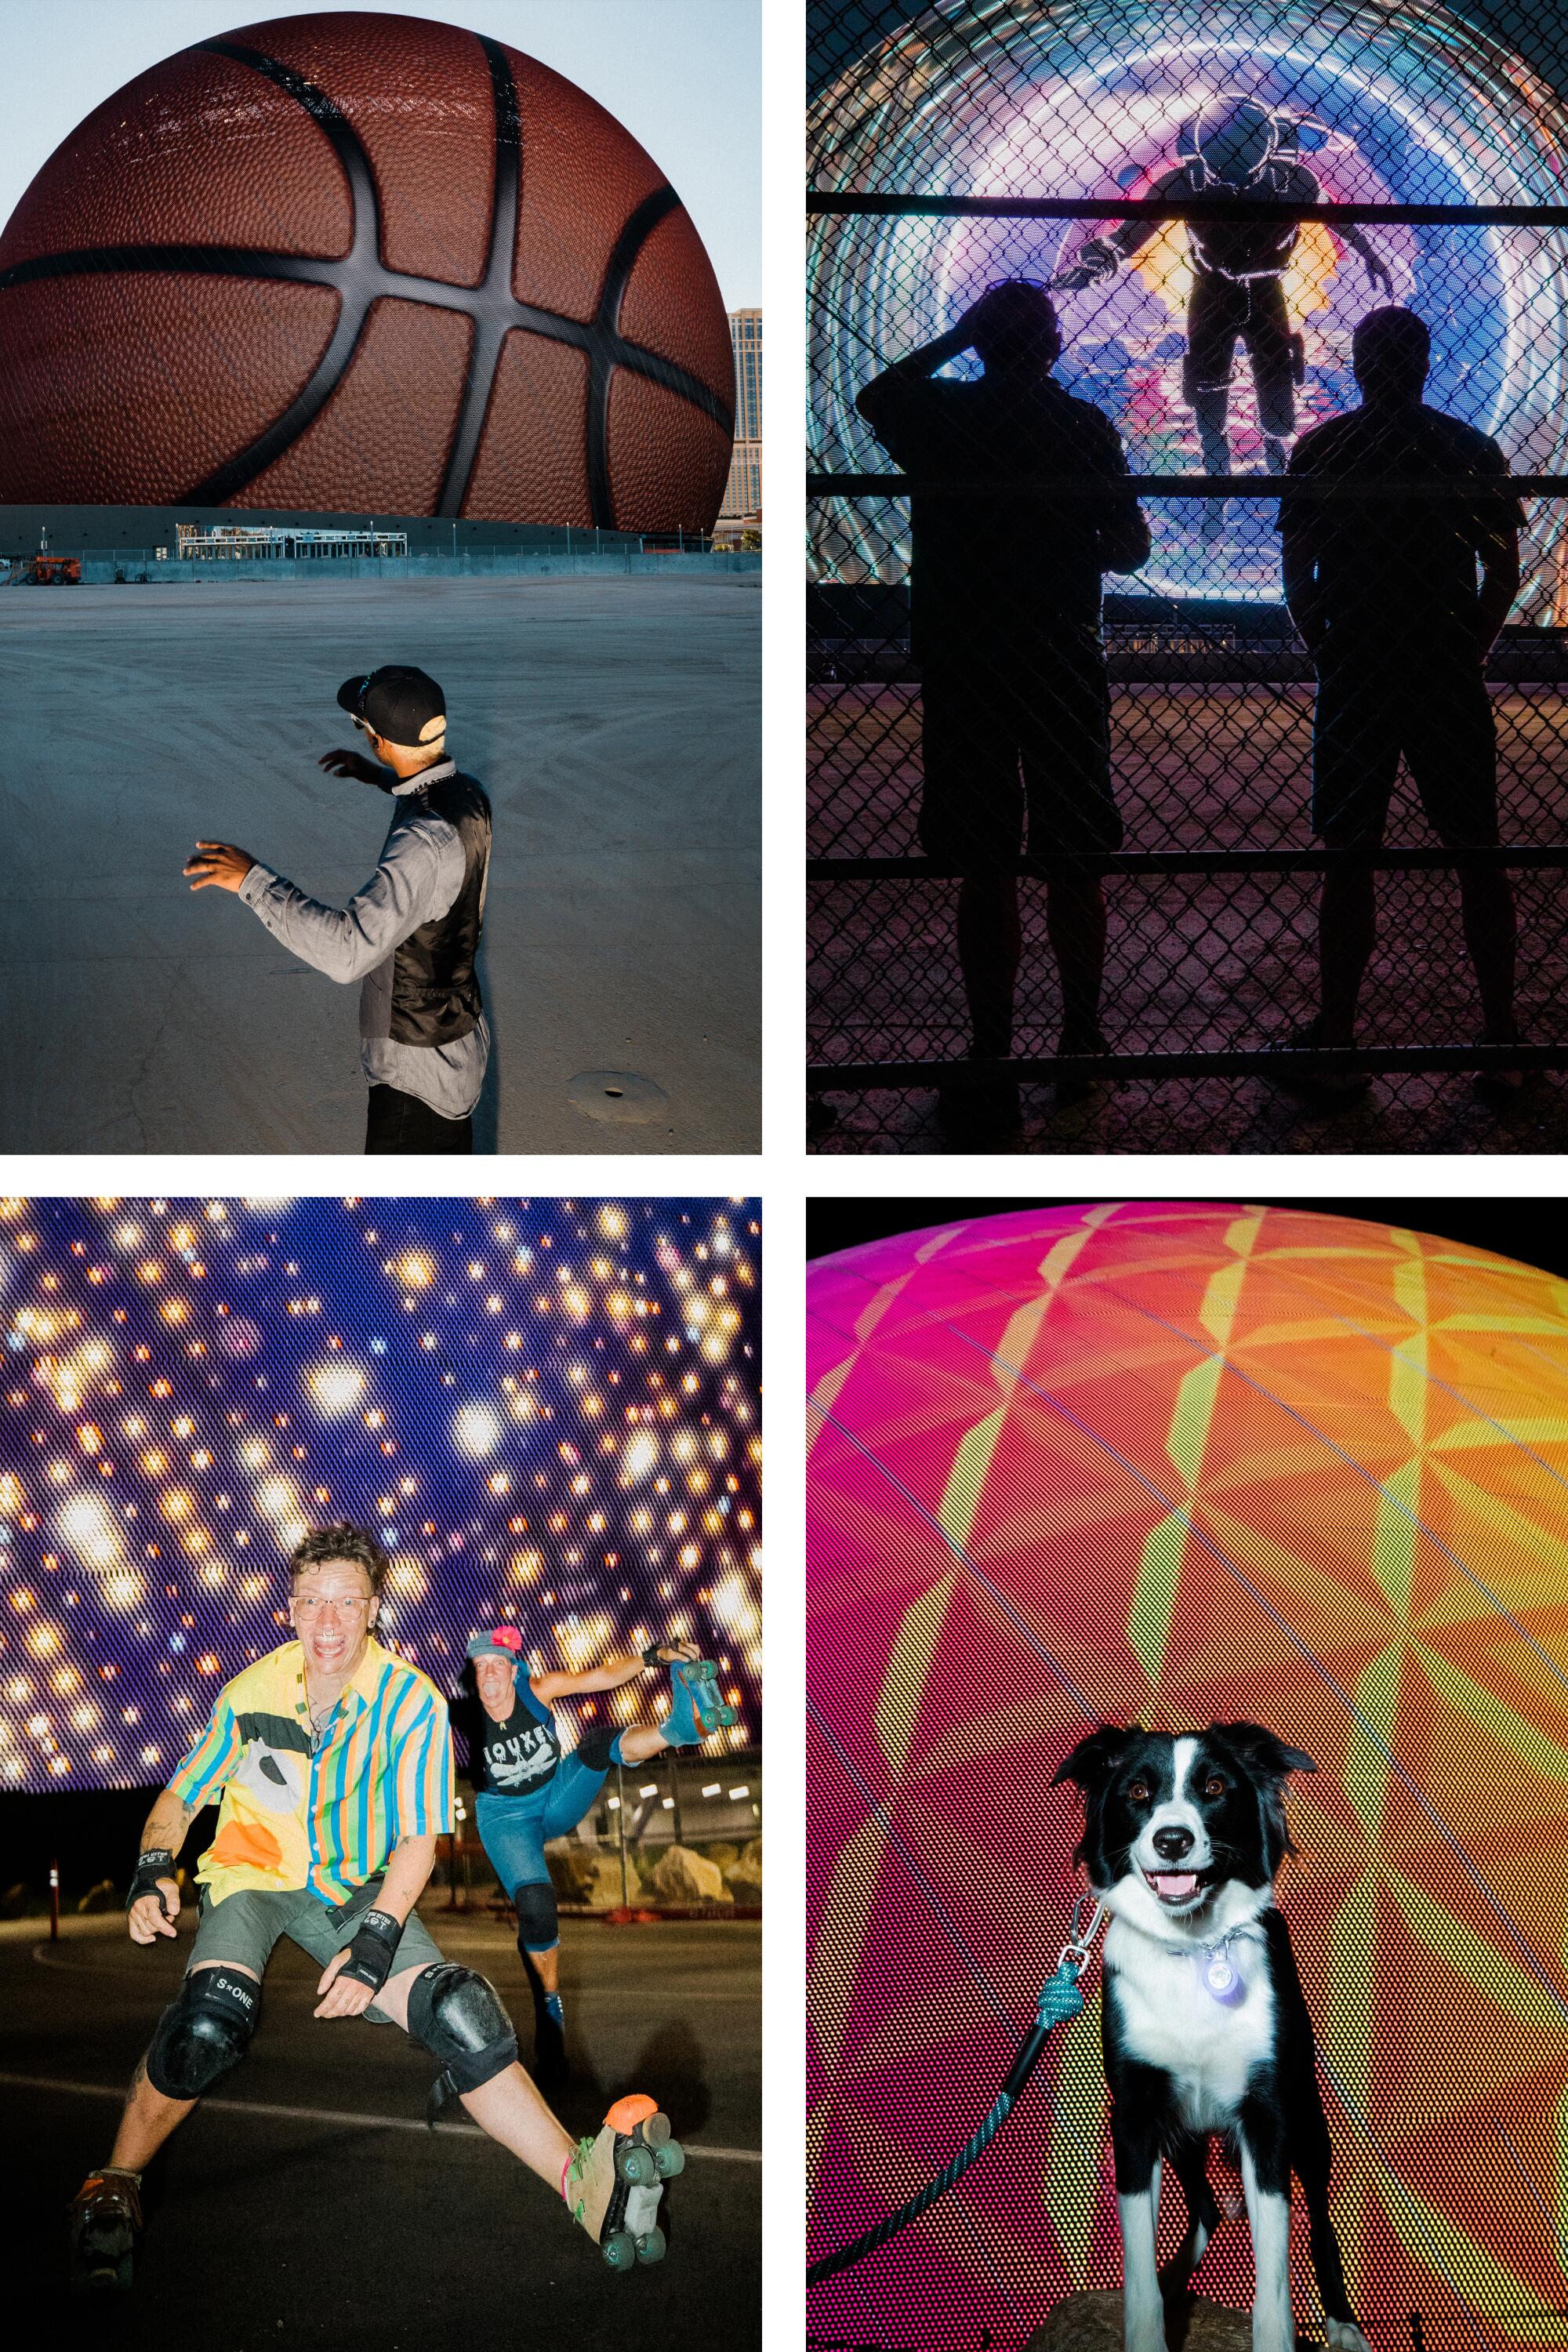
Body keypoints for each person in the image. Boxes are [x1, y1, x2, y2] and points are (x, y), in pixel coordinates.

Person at [67, 1523, 682, 2292]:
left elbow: (419, 1841)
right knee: (208, 2020)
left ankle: (581, 2185)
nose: (329, 1624)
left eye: (346, 1603)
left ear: (372, 1608)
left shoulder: (410, 1702)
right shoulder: (249, 1693)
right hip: (253, 1877)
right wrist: (154, 1868)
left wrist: (375, 1942)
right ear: (288, 1610)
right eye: (313, 1604)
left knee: (461, 2012)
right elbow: (183, 1795)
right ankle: (115, 2180)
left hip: (354, 1889)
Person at [856, 279, 1151, 1139]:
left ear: (982, 340)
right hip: (1059, 656)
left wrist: (957, 338)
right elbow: (1129, 548)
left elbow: (875, 396)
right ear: (1054, 346)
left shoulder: (941, 419)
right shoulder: (1081, 429)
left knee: (985, 860)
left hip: (966, 658)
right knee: (1073, 854)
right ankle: (1079, 1039)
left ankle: (990, 1049)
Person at [1275, 305, 1525, 1098]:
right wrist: (1472, 643)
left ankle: (1338, 1032)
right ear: (1423, 363)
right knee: (1475, 852)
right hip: (1441, 660)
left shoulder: (1325, 447)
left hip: (1358, 660)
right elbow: (1502, 566)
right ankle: (1497, 1030)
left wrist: (1325, 645)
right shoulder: (1464, 448)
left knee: (1348, 854)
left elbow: (1298, 569)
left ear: (1355, 365)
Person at [183, 666, 492, 1155]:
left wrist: (251, 880)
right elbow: (425, 796)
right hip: (458, 1039)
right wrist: (377, 775)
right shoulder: (469, 794)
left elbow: (348, 953)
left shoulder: (421, 843)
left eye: (363, 728)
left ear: (380, 741)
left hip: (416, 1074)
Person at [1057, 93, 1392, 528]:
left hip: (1264, 290)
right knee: (1209, 387)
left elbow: (1336, 220)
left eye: (1239, 157)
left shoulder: (1293, 182)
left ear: (1263, 150)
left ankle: (1280, 475)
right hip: (1213, 291)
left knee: (1275, 383)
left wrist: (1368, 253)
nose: (1230, 175)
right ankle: (1220, 482)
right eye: (1220, 158)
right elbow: (1131, 232)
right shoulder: (1186, 182)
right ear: (1205, 150)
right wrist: (1097, 263)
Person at [453, 1626, 736, 2085]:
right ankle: (549, 2008)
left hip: (554, 1798)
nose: (489, 1675)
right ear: (474, 1675)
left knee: (595, 1745)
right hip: (506, 1821)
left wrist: (653, 1656)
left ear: (513, 1670)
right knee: (538, 1906)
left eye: (496, 1666)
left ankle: (678, 1728)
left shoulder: (538, 1690)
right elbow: (411, 1726)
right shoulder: (466, 1715)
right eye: (480, 1667)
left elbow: (600, 1676)